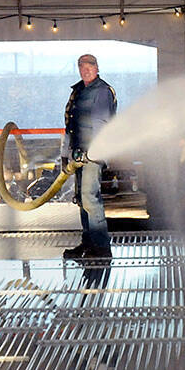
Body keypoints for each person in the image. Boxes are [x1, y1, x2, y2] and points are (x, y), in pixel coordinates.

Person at [61, 53, 116, 261]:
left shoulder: (102, 91)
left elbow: (101, 124)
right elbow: (70, 125)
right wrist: (66, 155)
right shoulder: (77, 91)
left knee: (90, 198)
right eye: (82, 66)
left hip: (92, 155)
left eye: (90, 66)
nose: (86, 70)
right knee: (82, 199)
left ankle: (102, 248)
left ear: (97, 68)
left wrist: (93, 152)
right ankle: (89, 242)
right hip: (77, 155)